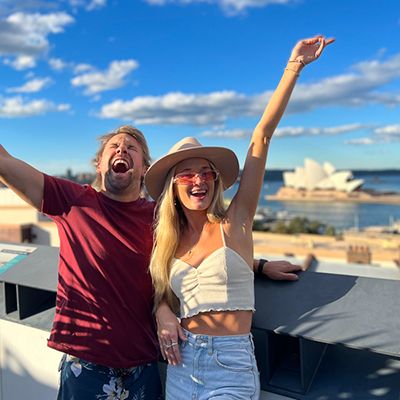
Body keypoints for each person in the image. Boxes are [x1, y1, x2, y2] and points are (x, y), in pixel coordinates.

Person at [0, 126, 301, 399]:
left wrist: (257, 265)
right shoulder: (71, 200)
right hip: (85, 365)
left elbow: (207, 250)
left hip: (144, 368)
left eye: (132, 148)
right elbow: (6, 163)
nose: (122, 150)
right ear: (99, 163)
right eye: (114, 146)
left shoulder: (163, 218)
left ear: (144, 168)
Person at [145, 35, 334, 399]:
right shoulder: (166, 243)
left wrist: (294, 67)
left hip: (230, 366)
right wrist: (163, 311)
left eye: (206, 172)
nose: (198, 180)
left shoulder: (236, 222)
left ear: (215, 180)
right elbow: (160, 293)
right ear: (173, 186)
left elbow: (261, 137)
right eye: (186, 174)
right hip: (182, 364)